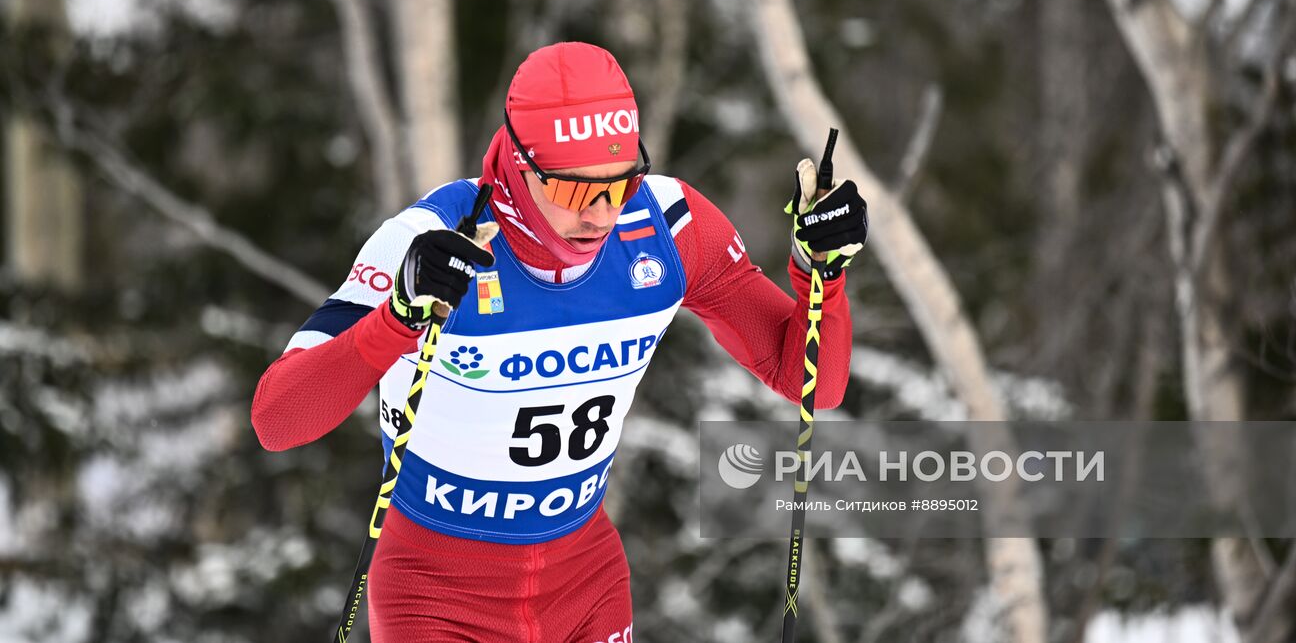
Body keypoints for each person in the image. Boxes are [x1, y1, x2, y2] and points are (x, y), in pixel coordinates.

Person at [251, 42, 867, 642]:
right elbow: (277, 420)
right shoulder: (432, 241)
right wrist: (398, 318)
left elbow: (815, 382)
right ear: (521, 168)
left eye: (621, 184)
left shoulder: (671, 226)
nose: (600, 213)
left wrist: (823, 273)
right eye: (575, 191)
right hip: (435, 597)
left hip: (585, 589)